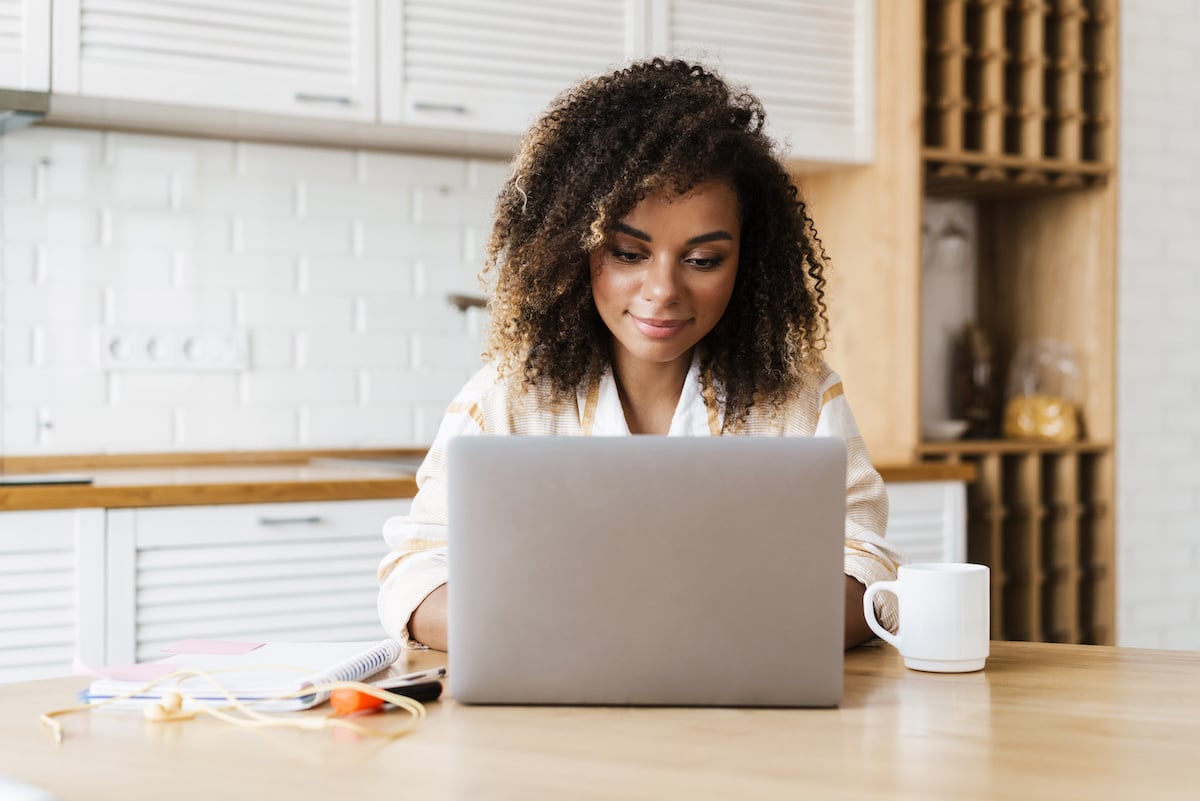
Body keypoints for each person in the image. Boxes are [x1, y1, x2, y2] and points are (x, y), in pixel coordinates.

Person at [377, 58, 903, 652]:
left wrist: (715, 633)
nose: (663, 291)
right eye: (629, 253)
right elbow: (416, 573)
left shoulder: (798, 397)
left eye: (703, 260)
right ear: (574, 249)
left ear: (748, 263)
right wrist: (572, 629)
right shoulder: (507, 397)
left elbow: (868, 564)